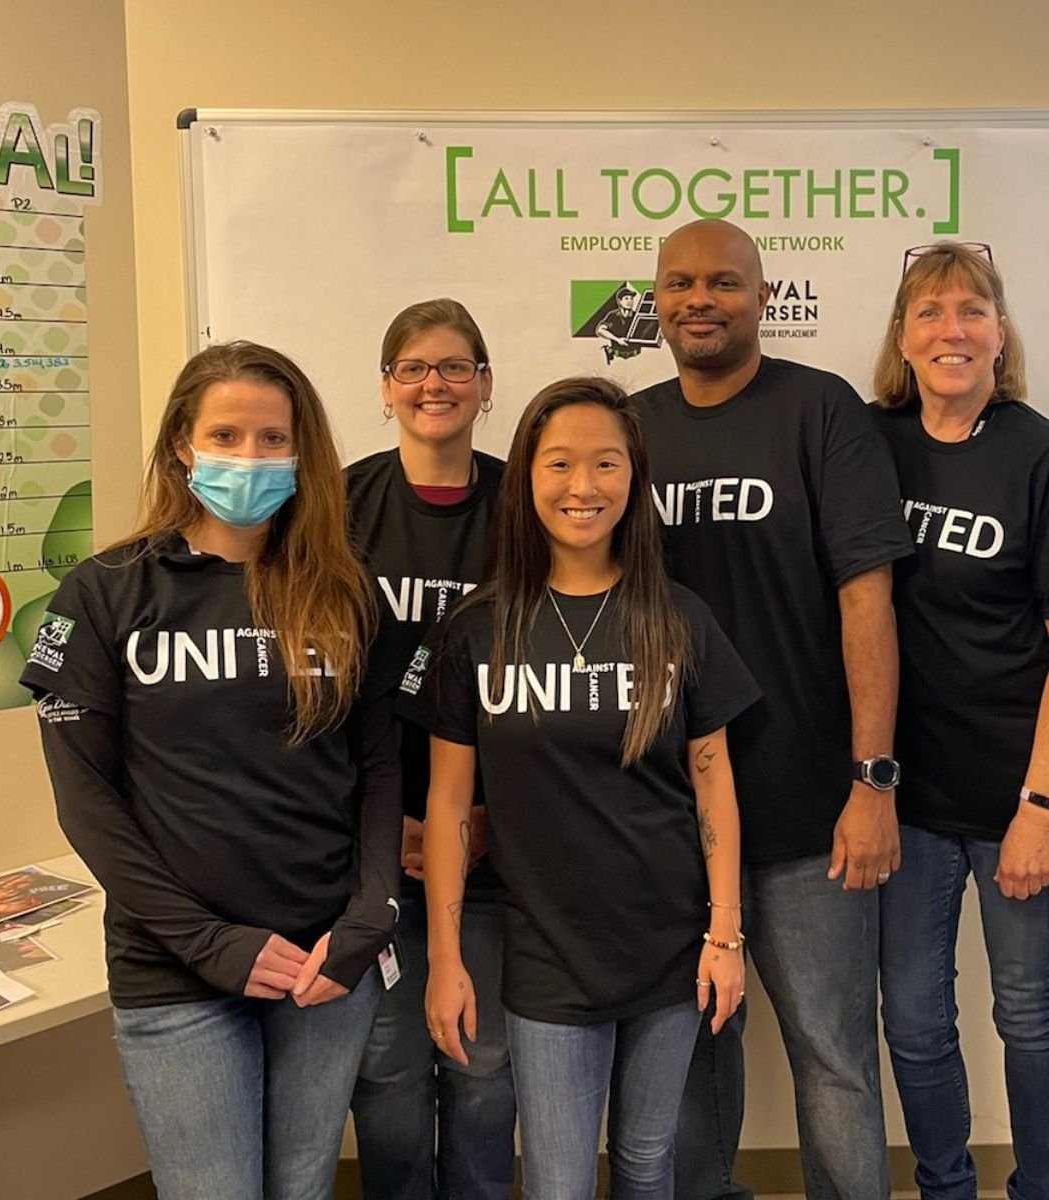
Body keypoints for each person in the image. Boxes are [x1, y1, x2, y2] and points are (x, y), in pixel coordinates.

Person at [22, 341, 402, 1200]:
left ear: (304, 453)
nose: (251, 457)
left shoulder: (344, 590)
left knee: (302, 1186)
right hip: (177, 967)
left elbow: (380, 769)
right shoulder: (106, 592)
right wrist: (207, 943)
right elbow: (86, 799)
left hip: (323, 962)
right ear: (182, 448)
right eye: (226, 435)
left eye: (274, 438)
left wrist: (370, 916)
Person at [400, 377, 760, 1200]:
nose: (582, 486)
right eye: (559, 464)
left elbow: (714, 785)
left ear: (634, 479)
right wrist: (446, 961)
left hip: (670, 947)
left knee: (645, 1163)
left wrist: (726, 934)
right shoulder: (478, 631)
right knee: (559, 1181)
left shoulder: (678, 619)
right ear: (526, 479)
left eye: (606, 463)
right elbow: (450, 805)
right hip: (546, 955)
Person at [634, 218, 913, 1199]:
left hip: (807, 807)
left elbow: (867, 603)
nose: (696, 300)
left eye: (721, 282)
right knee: (694, 1052)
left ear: (763, 296)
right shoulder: (628, 429)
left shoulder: (821, 410)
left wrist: (872, 780)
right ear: (654, 300)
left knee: (832, 1053)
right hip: (668, 814)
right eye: (677, 283)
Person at [869, 242, 1049, 1200]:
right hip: (904, 796)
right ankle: (945, 1187)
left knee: (1028, 1011)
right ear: (903, 339)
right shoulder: (870, 444)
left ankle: (1041, 1191)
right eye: (929, 312)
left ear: (1001, 334)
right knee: (914, 1021)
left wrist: (1042, 804)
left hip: (1013, 790)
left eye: (971, 310)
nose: (950, 329)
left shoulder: (1041, 455)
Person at [346, 299, 517, 1200]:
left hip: (492, 839)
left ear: (486, 384)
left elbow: (557, 662)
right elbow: (312, 680)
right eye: (412, 368)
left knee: (483, 1063)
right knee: (387, 1071)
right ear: (385, 389)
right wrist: (388, 822)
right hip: (369, 839)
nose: (434, 385)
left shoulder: (526, 504)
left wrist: (486, 814)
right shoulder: (336, 506)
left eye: (454, 367)